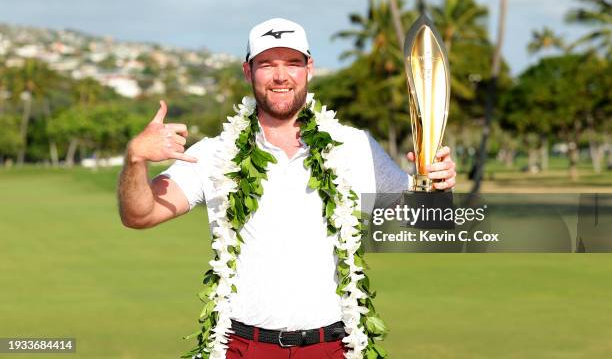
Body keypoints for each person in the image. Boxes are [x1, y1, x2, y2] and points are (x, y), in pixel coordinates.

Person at [117, 18, 456, 359]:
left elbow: (430, 224)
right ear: (248, 72)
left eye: (292, 63)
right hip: (243, 348)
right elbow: (139, 214)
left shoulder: (356, 147)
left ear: (309, 68)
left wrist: (437, 185)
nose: (281, 76)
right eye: (267, 64)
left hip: (333, 347)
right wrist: (135, 159)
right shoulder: (213, 152)